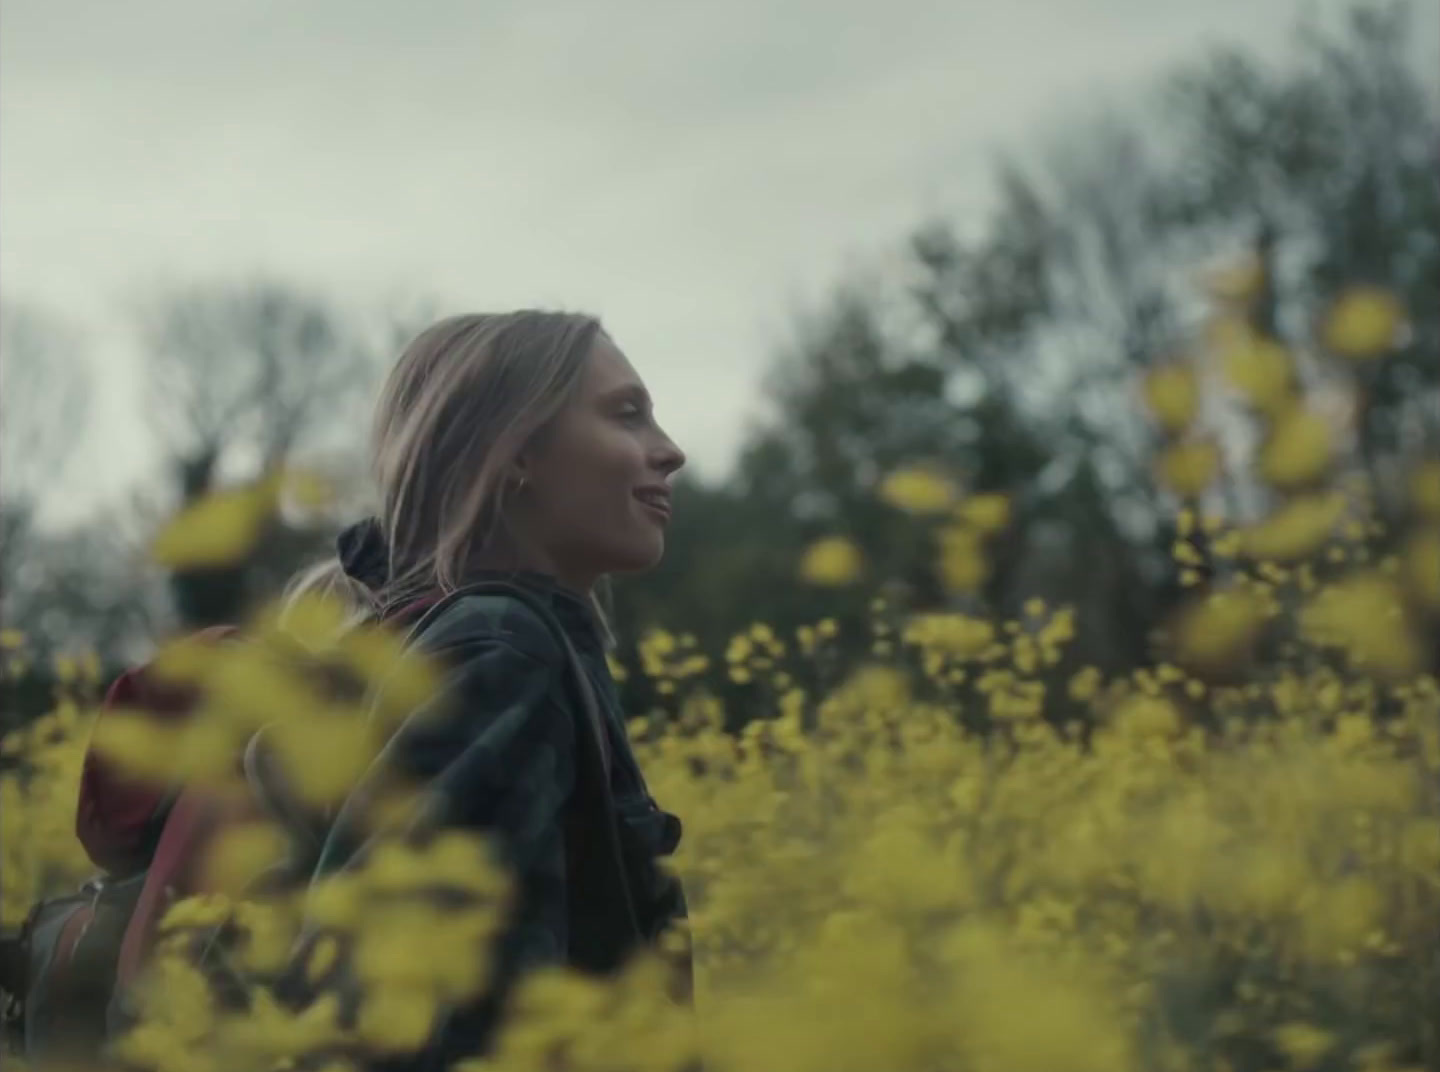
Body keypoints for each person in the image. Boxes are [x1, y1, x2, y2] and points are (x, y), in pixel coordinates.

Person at [281, 310, 693, 1064]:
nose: (670, 452)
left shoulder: (484, 645)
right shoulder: (502, 651)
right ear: (515, 455)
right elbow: (408, 1012)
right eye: (626, 415)